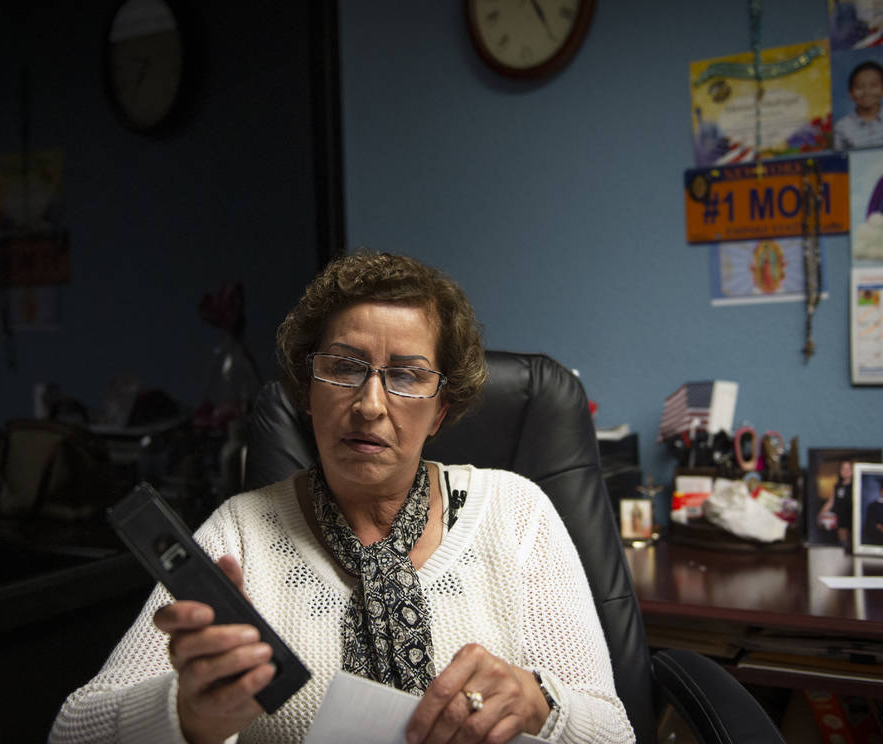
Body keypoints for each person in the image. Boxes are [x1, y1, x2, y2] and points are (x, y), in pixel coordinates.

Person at [50, 251, 635, 744]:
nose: (370, 405)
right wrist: (186, 715)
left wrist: (539, 705)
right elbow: (72, 729)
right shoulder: (241, 533)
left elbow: (616, 732)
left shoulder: (515, 512)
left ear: (441, 410)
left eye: (406, 376)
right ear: (306, 392)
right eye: (344, 368)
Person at [833, 61, 883, 150]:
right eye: (859, 87)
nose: (867, 92)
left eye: (873, 85)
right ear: (850, 93)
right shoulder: (841, 127)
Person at [817, 460, 854, 545]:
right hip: (841, 519)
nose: (846, 471)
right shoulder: (837, 486)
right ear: (840, 471)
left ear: (852, 471)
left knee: (853, 544)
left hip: (853, 518)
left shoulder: (857, 485)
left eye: (848, 469)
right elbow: (831, 502)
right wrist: (821, 513)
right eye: (844, 469)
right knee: (843, 544)